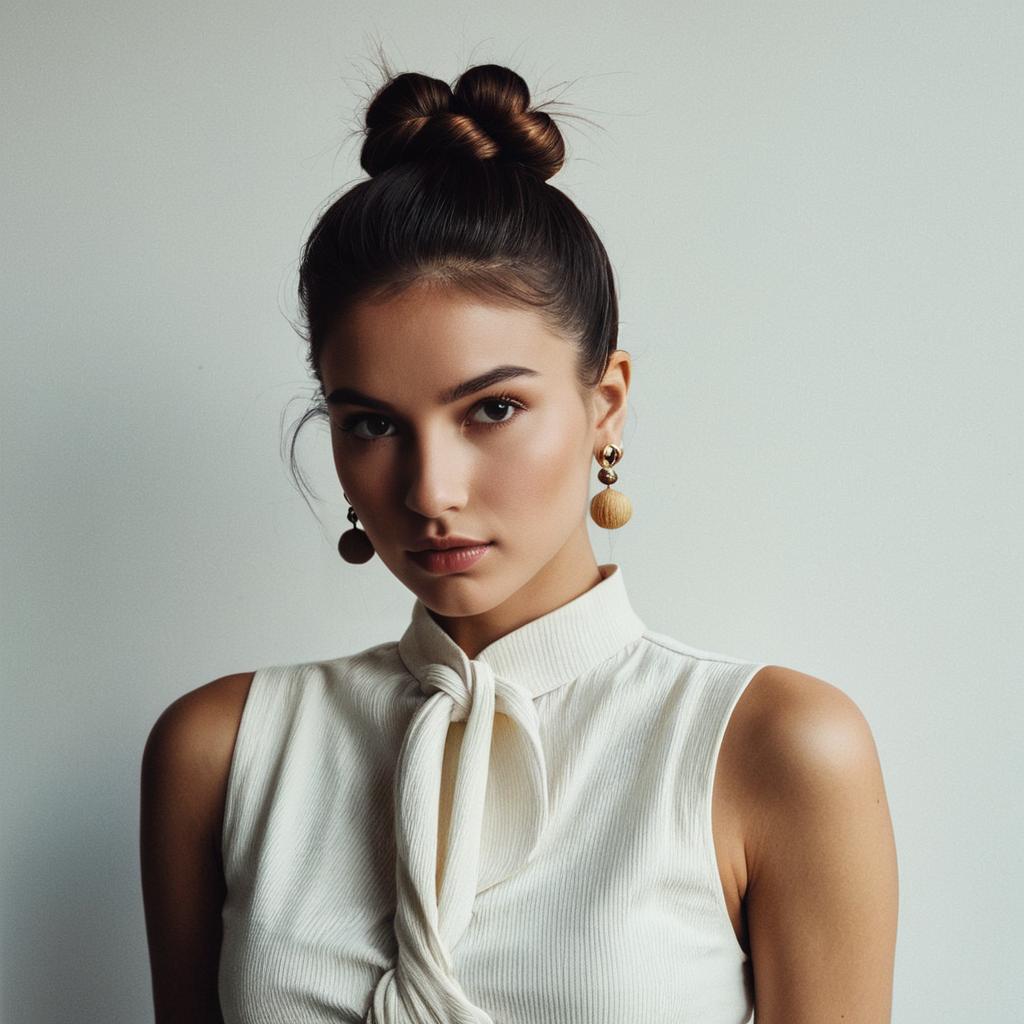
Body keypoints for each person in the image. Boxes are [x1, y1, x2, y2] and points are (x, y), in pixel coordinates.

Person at [140, 61, 899, 1024]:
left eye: (492, 408)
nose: (430, 491)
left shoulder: (772, 747)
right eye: (371, 423)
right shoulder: (223, 750)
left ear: (605, 403)